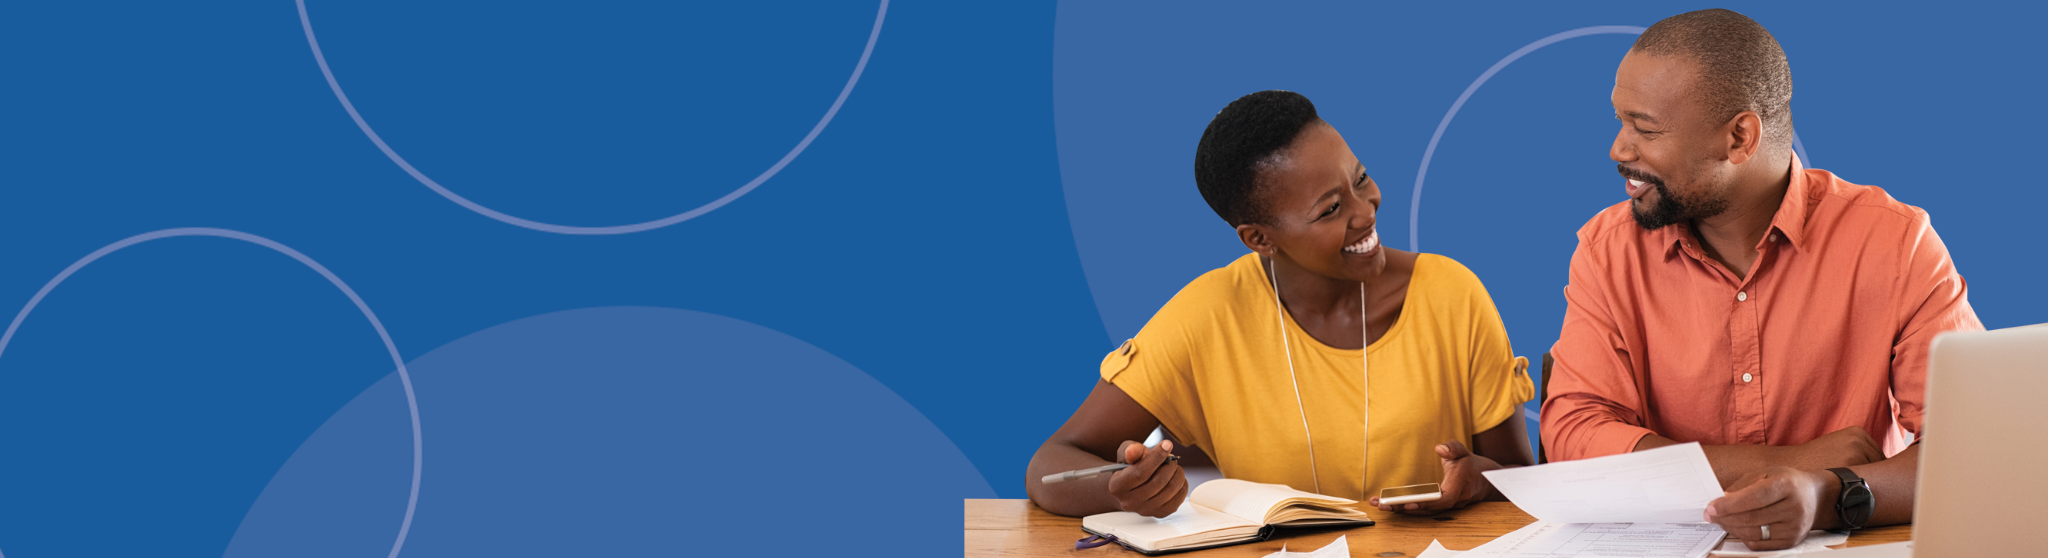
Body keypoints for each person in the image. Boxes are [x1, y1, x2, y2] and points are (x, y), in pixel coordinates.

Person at [1543, 9, 1983, 551]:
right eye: (1620, 120)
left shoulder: (1895, 242)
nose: (1619, 148)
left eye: (1645, 128)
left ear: (1740, 137)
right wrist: (1783, 463)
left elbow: (1972, 446)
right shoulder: (1607, 251)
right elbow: (1573, 431)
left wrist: (1825, 492)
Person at [1024, 90, 1535, 519]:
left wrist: (1476, 481)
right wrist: (1124, 491)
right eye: (1331, 209)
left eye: (1360, 179)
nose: (1366, 210)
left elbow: (1520, 479)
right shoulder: (1208, 316)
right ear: (1259, 238)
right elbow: (1050, 466)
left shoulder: (1453, 295)